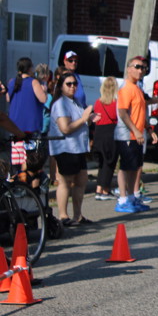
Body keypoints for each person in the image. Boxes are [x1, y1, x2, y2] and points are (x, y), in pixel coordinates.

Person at [49, 70, 97, 226]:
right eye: (68, 84)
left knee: (81, 180)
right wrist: (83, 119)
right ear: (61, 86)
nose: (72, 87)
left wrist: (89, 119)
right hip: (66, 147)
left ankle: (78, 215)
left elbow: (81, 121)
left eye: (75, 83)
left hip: (78, 147)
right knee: (65, 182)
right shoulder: (60, 104)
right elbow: (65, 128)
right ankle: (63, 216)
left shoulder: (75, 101)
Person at [115, 55, 151, 214]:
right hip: (127, 135)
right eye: (137, 67)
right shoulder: (126, 88)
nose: (140, 70)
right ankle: (122, 200)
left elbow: (140, 112)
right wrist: (135, 130)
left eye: (143, 67)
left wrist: (147, 128)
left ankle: (131, 197)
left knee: (134, 168)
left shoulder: (137, 88)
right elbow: (122, 112)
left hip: (137, 135)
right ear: (129, 69)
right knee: (125, 167)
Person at [7, 57, 48, 175]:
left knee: (17, 158)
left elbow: (8, 98)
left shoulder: (12, 81)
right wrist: (44, 90)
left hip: (14, 126)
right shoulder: (33, 82)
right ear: (30, 68)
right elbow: (43, 99)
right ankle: (30, 182)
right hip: (30, 126)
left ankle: (16, 180)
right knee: (32, 161)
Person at [92, 77, 120, 201]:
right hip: (111, 132)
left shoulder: (98, 102)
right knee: (110, 162)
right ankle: (105, 190)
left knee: (102, 163)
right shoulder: (116, 103)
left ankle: (98, 189)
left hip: (99, 133)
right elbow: (116, 117)